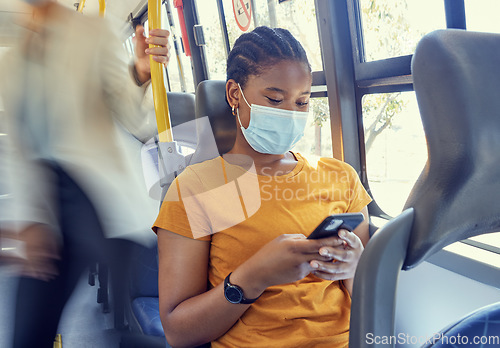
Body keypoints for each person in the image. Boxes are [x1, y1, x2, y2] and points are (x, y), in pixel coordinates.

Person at [153, 26, 372, 348]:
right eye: (274, 99)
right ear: (233, 95)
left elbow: (369, 298)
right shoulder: (196, 187)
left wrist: (353, 268)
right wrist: (254, 276)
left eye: (301, 103)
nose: (290, 114)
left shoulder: (341, 176)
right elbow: (178, 332)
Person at [0, 1, 170, 347]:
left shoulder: (95, 33)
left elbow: (134, 121)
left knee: (124, 330)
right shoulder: (11, 62)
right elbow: (18, 151)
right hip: (49, 205)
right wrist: (29, 217)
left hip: (101, 202)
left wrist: (141, 71)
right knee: (28, 330)